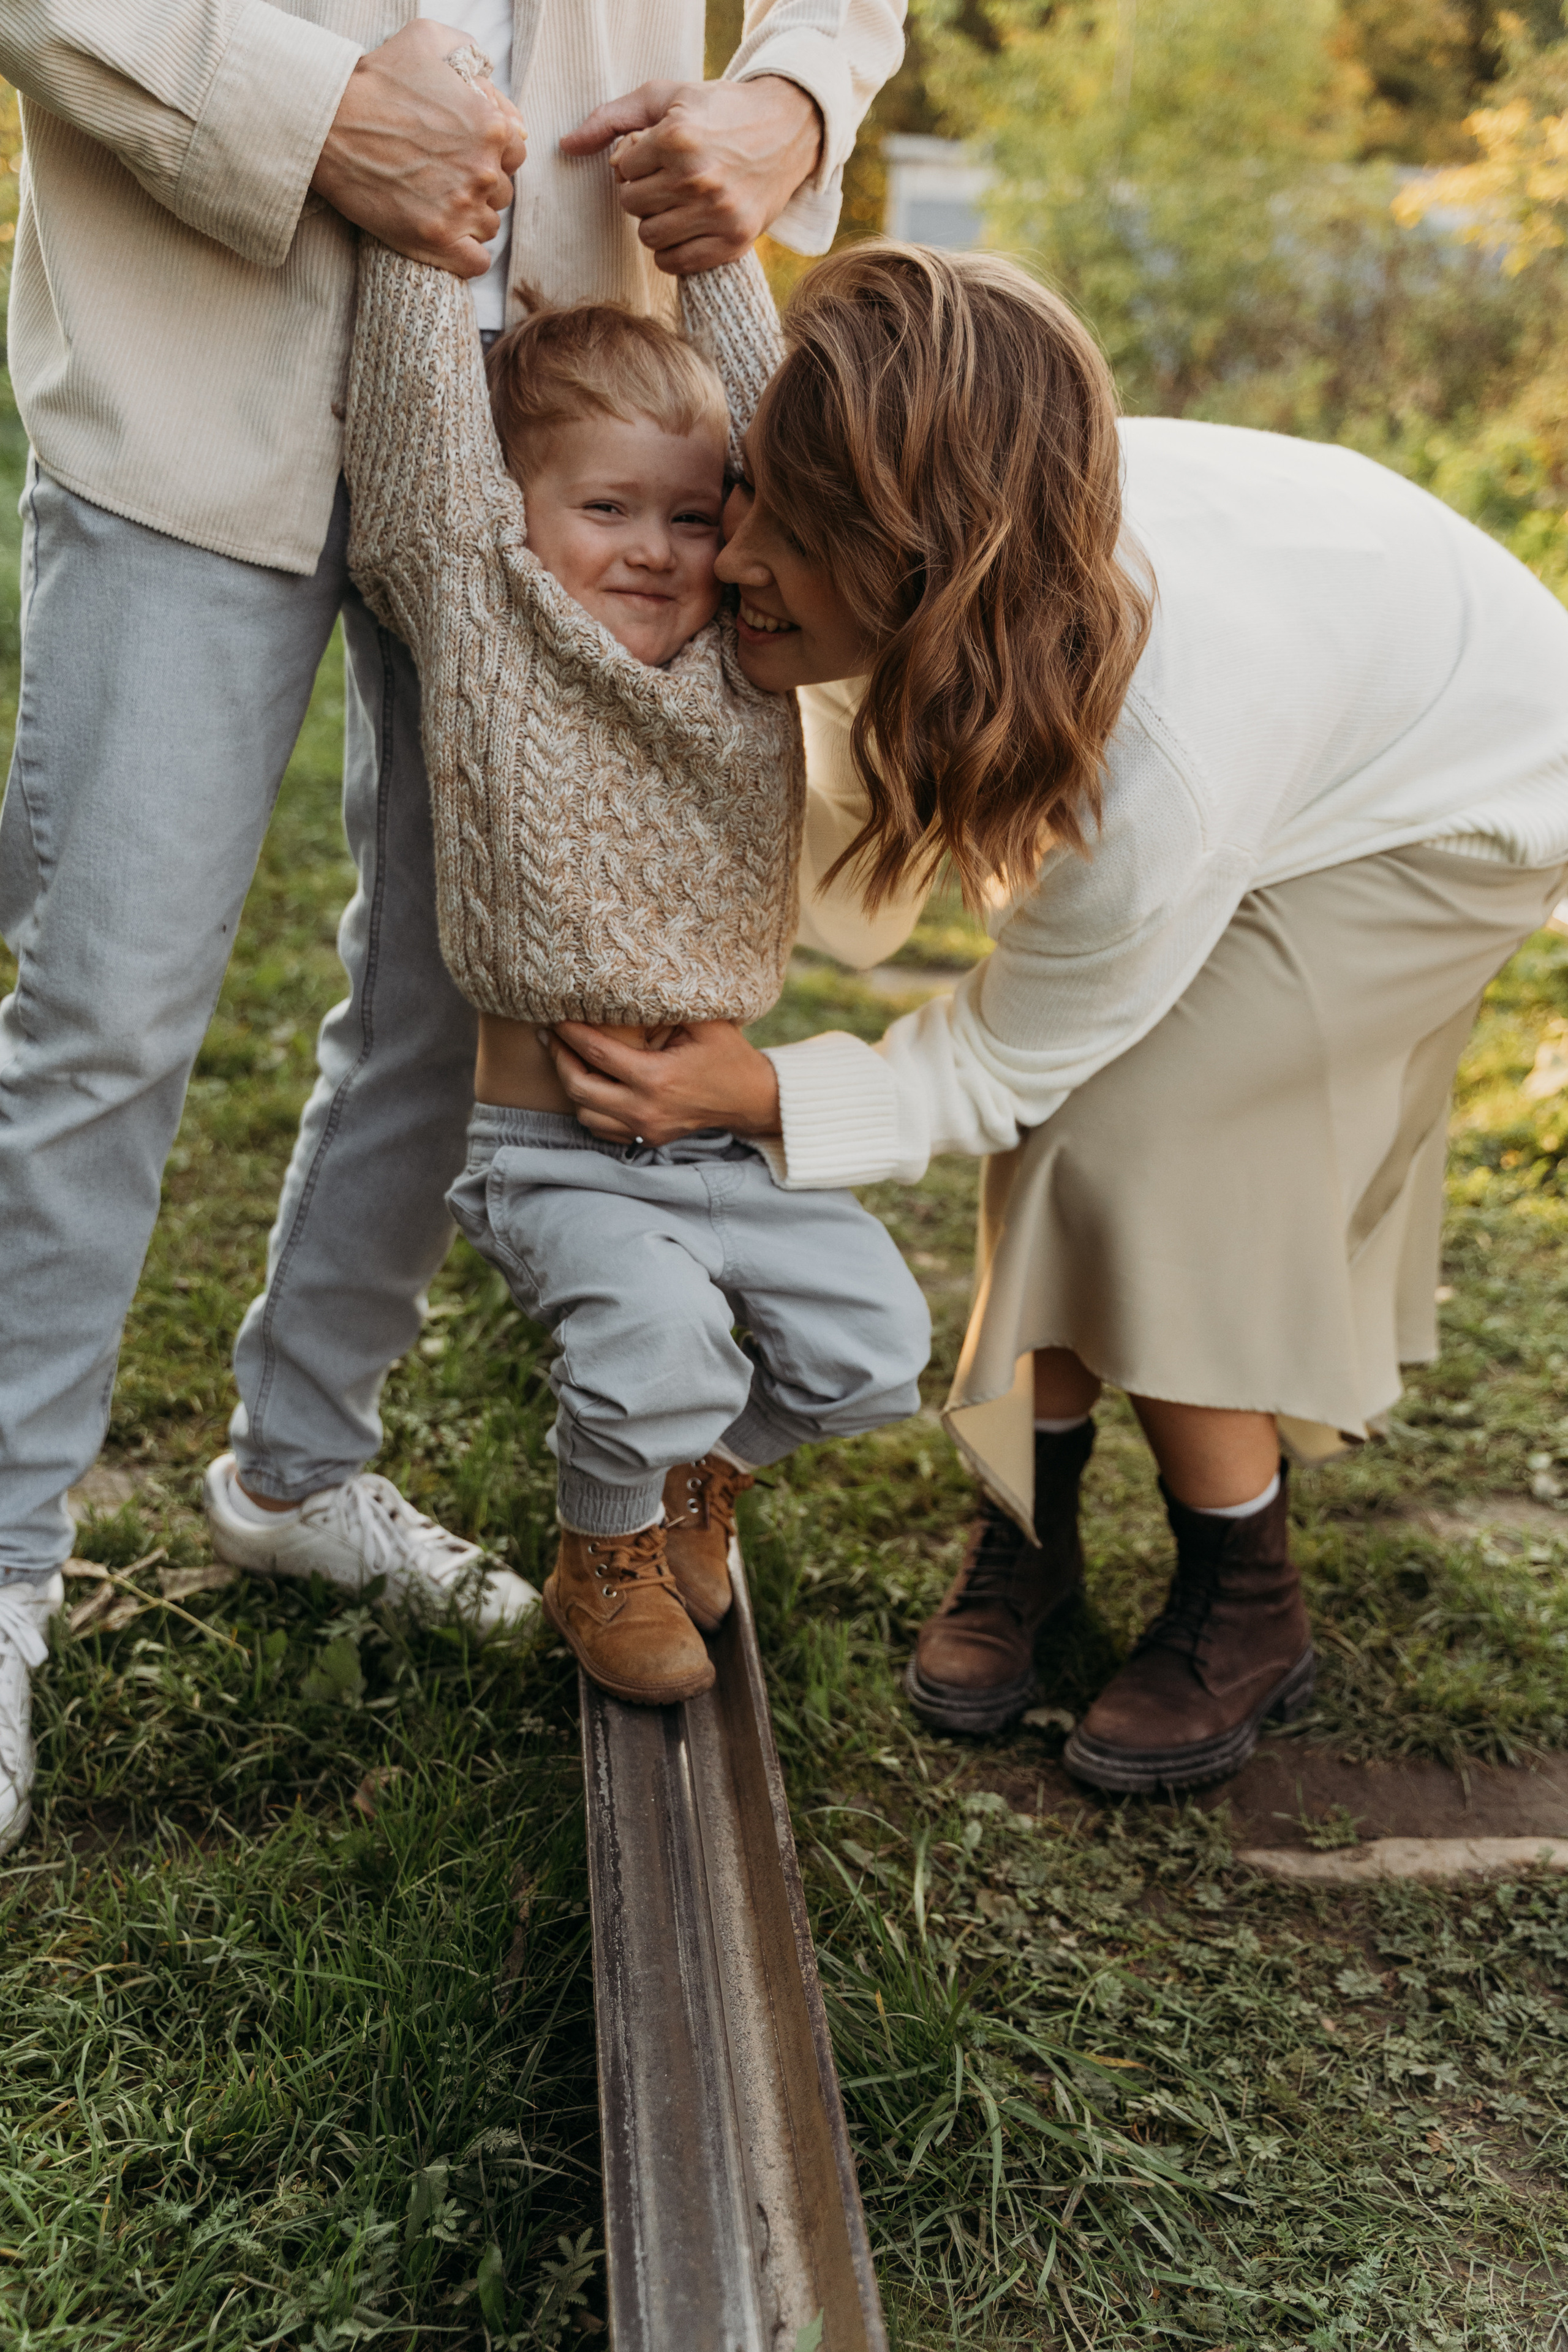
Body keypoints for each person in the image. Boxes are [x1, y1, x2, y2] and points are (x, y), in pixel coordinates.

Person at [0, 2, 907, 1848]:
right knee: (106, 1008)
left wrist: (796, 102)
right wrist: (301, 102)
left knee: (457, 1017)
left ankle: (300, 1471)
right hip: (196, 345)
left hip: (580, 398)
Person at [539, 241, 1568, 1793]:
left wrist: (754, 1096)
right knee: (1092, 1125)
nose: (730, 554)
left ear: (910, 563)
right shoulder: (971, 570)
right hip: (1324, 685)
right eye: (750, 493)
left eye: (785, 531)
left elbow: (1010, 1060)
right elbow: (846, 858)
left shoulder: (1159, 755)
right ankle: (1032, 1530)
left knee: (1128, 1143)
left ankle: (1248, 1595)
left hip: (1449, 799)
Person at [344, 238, 929, 1702]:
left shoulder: (744, 653)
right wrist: (430, 238)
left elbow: (766, 436)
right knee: (653, 1343)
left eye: (690, 513)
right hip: (556, 1150)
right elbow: (422, 438)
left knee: (876, 1351)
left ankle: (689, 1487)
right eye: (605, 510)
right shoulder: (479, 621)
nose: (660, 548)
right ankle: (598, 1548)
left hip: (727, 1135)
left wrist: (718, 252)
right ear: (514, 515)